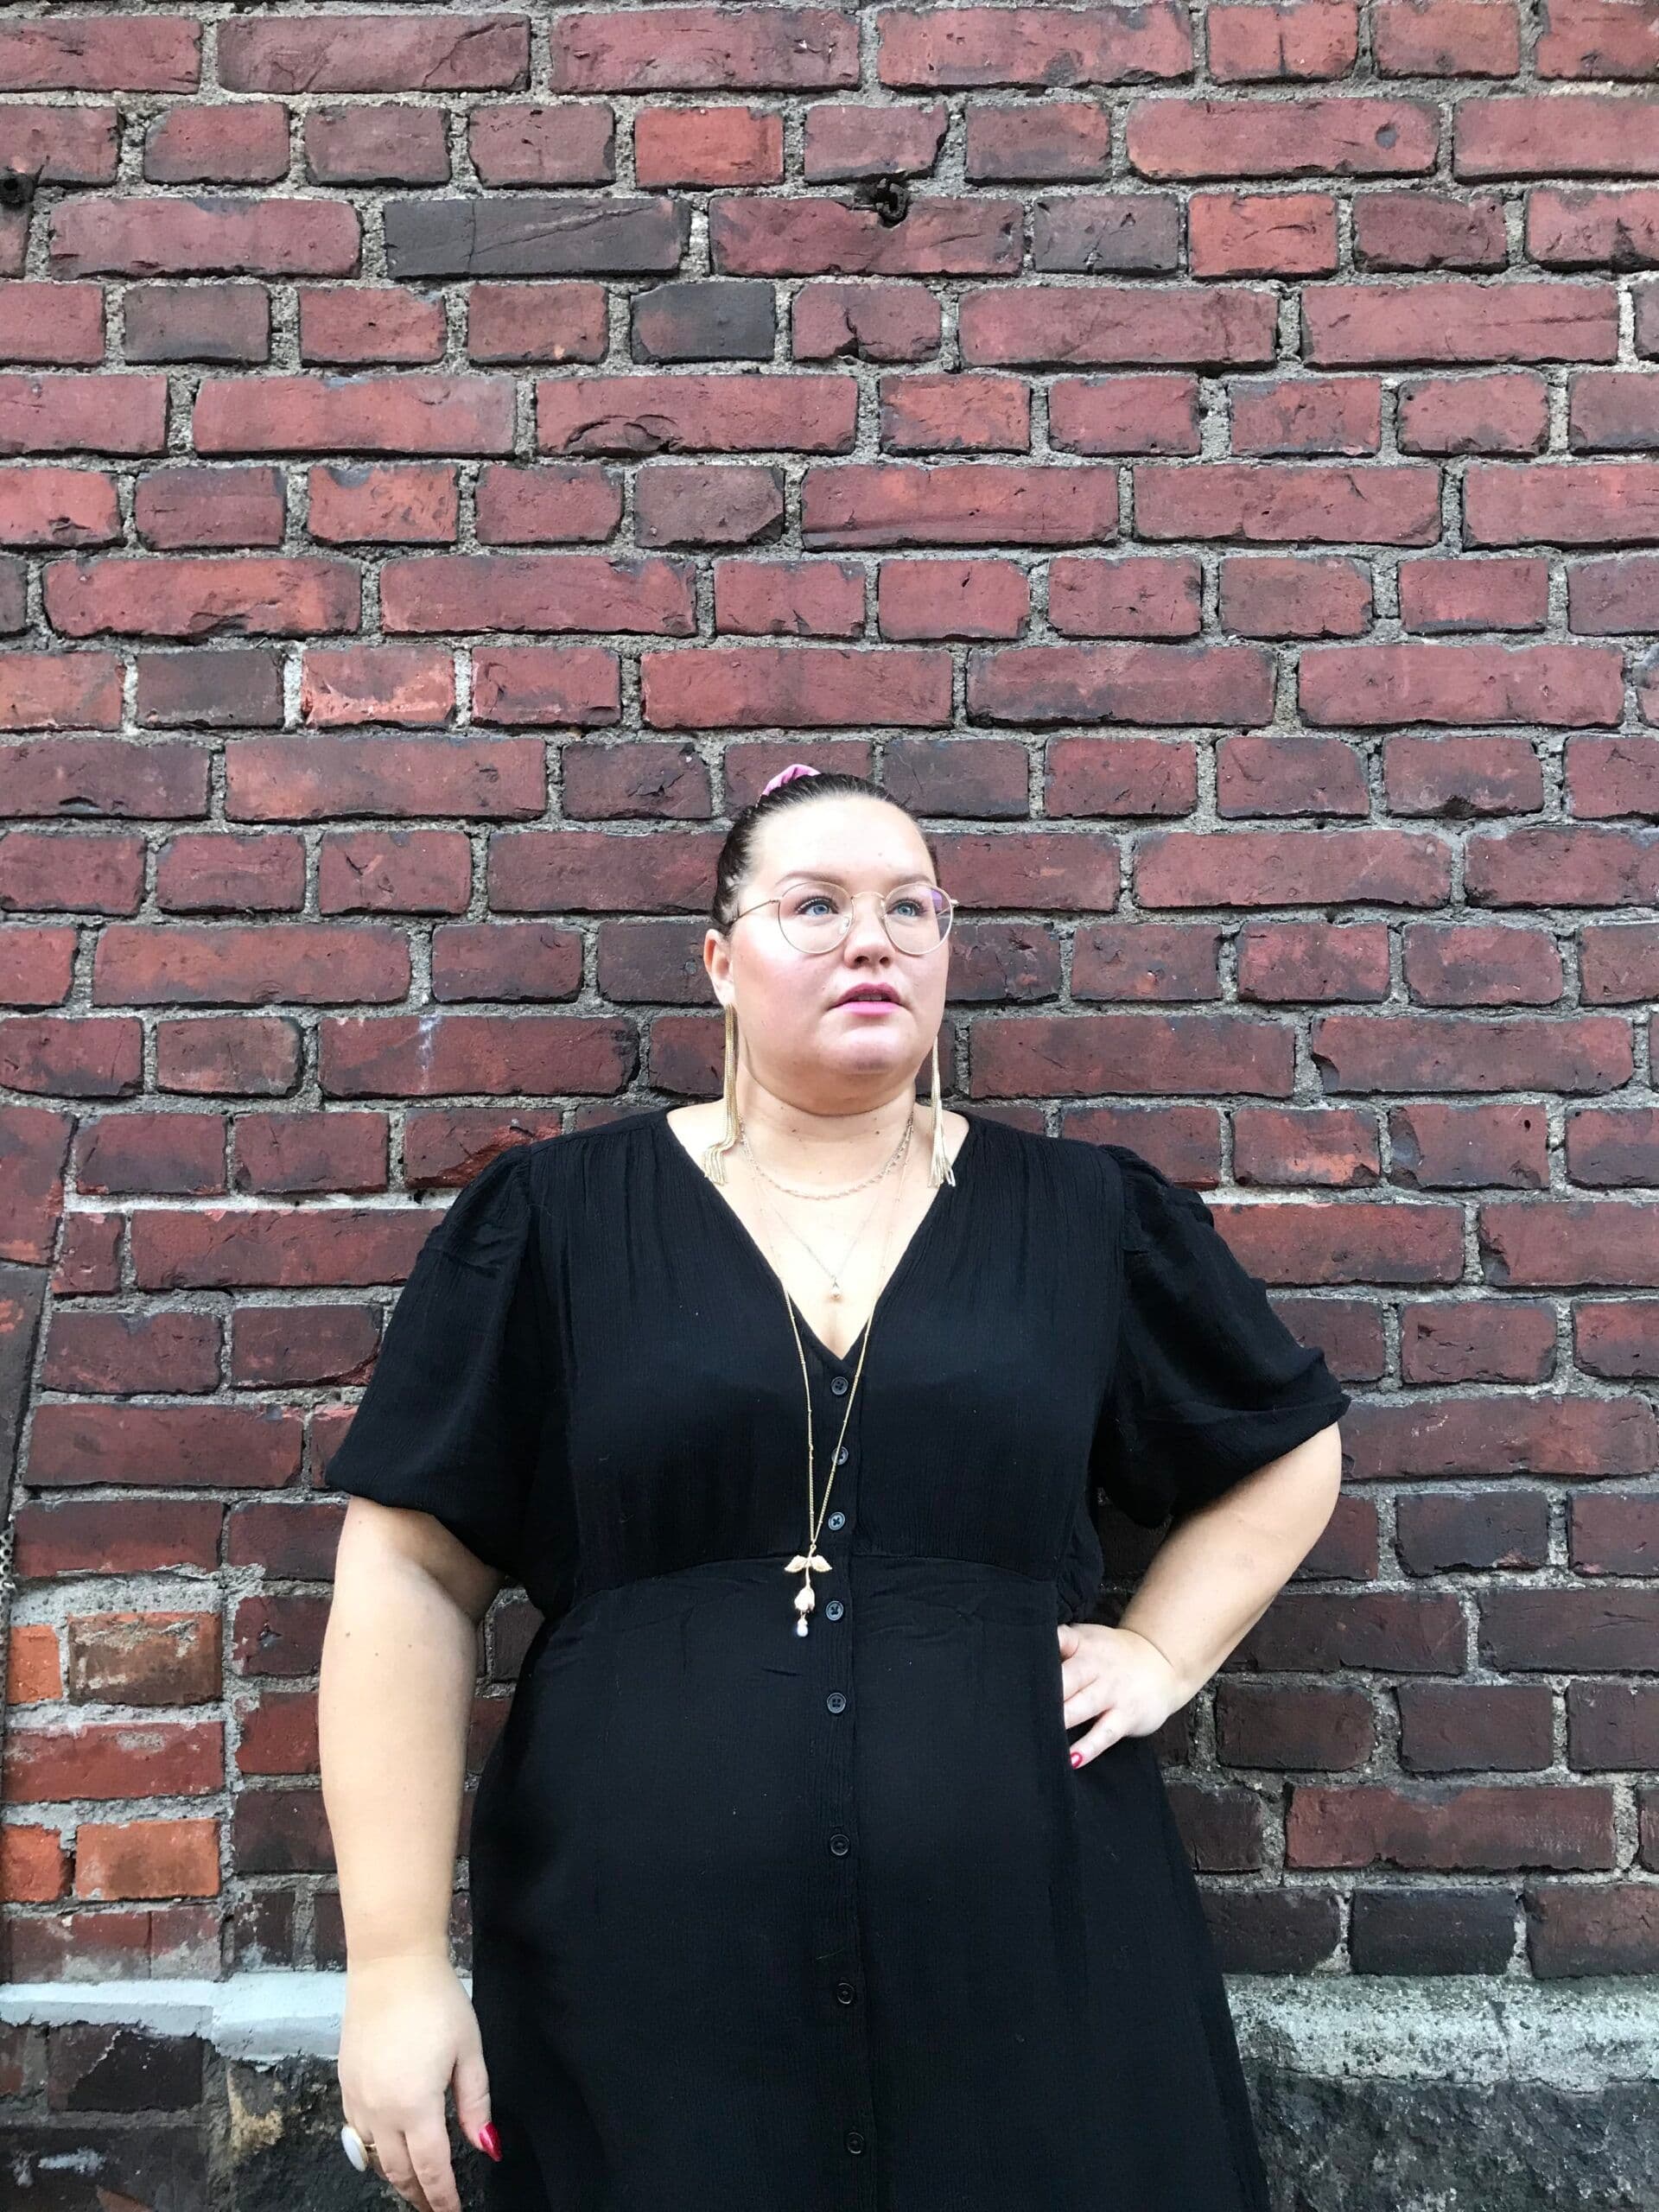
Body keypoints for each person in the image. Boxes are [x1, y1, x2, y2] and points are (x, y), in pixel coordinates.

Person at [318, 760, 1348, 2212]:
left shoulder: (1081, 1217)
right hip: (640, 1982)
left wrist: (1166, 1651)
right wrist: (395, 1970)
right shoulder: (556, 1221)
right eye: (816, 906)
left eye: (910, 909)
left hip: (1036, 1972)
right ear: (720, 962)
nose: (874, 940)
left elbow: (1283, 1442)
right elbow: (410, 1572)